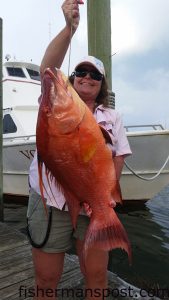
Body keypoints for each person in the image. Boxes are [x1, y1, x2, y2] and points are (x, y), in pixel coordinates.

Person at [27, 1, 132, 299]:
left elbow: (119, 158)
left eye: (95, 75)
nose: (87, 78)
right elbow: (48, 68)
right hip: (49, 206)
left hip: (94, 206)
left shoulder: (112, 118)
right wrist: (69, 29)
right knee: (46, 280)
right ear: (71, 79)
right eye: (80, 73)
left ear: (102, 85)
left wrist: (103, 198)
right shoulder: (54, 103)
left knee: (97, 276)